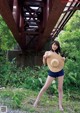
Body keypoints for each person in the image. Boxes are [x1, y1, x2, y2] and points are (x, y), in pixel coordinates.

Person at [33, 40, 65, 111]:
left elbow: (62, 62)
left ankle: (60, 105)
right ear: (51, 45)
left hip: (60, 72)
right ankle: (36, 101)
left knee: (60, 88)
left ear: (58, 46)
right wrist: (44, 57)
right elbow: (44, 64)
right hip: (52, 72)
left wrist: (63, 59)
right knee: (45, 87)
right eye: (54, 44)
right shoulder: (47, 52)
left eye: (56, 45)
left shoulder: (60, 53)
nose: (55, 46)